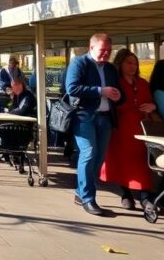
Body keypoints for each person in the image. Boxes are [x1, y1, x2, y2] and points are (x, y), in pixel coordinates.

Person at [66, 32, 122, 217]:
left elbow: (117, 91)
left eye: (109, 51)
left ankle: (80, 193)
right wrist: (100, 90)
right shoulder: (79, 63)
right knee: (88, 153)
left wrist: (119, 95)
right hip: (84, 116)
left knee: (98, 159)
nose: (106, 54)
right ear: (91, 48)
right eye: (103, 50)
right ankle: (89, 199)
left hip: (105, 117)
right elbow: (72, 88)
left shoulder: (110, 69)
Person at [100, 49, 156, 212]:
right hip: (122, 128)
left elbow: (151, 101)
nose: (132, 66)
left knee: (142, 162)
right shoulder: (116, 82)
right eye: (128, 63)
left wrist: (152, 106)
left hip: (142, 127)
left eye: (135, 63)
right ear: (120, 64)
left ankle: (145, 195)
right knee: (122, 162)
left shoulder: (143, 82)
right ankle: (126, 193)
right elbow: (113, 104)